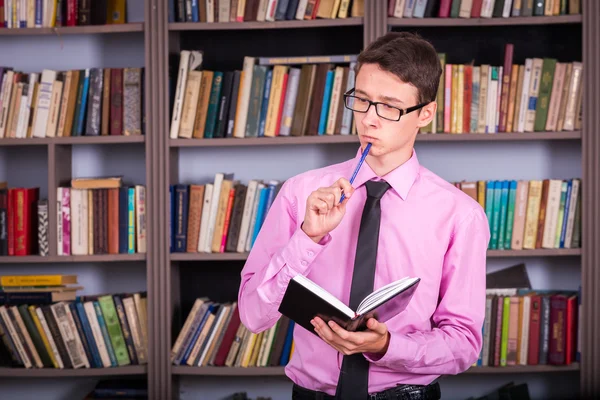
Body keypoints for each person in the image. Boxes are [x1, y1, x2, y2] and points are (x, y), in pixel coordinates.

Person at [237, 31, 490, 400]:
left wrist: (389, 346)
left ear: (425, 114)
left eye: (389, 106)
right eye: (362, 100)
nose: (369, 120)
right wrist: (307, 237)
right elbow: (253, 317)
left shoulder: (460, 215)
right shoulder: (300, 193)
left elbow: (463, 346)